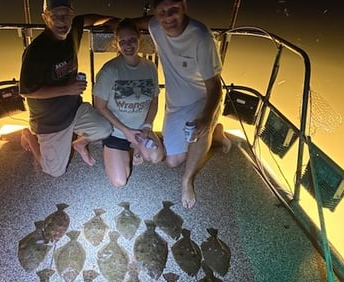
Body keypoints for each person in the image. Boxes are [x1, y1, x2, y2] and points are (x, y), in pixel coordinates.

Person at [137, 0, 231, 208]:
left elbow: (215, 86)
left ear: (184, 7)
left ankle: (187, 180)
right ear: (156, 13)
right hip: (176, 106)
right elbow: (137, 23)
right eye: (162, 12)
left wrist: (206, 117)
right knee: (172, 161)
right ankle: (217, 133)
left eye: (174, 10)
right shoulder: (154, 26)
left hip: (203, 99)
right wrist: (116, 23)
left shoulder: (201, 36)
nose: (168, 17)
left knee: (200, 129)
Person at [18, 0, 116, 177]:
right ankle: (28, 135)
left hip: (74, 109)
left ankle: (79, 143)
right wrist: (67, 89)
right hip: (50, 121)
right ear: (45, 18)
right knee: (55, 171)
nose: (62, 21)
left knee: (105, 129)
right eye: (56, 16)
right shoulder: (36, 51)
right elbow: (27, 91)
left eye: (67, 15)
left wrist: (115, 22)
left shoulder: (72, 30)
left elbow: (89, 19)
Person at [93, 18, 163, 187]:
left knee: (156, 157)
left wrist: (147, 127)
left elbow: (154, 101)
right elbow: (99, 105)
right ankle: (119, 150)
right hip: (116, 132)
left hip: (141, 131)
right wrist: (126, 131)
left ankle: (136, 147)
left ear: (140, 39)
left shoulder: (150, 67)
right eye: (122, 41)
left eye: (132, 40)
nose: (128, 45)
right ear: (117, 44)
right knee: (119, 181)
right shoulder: (110, 69)